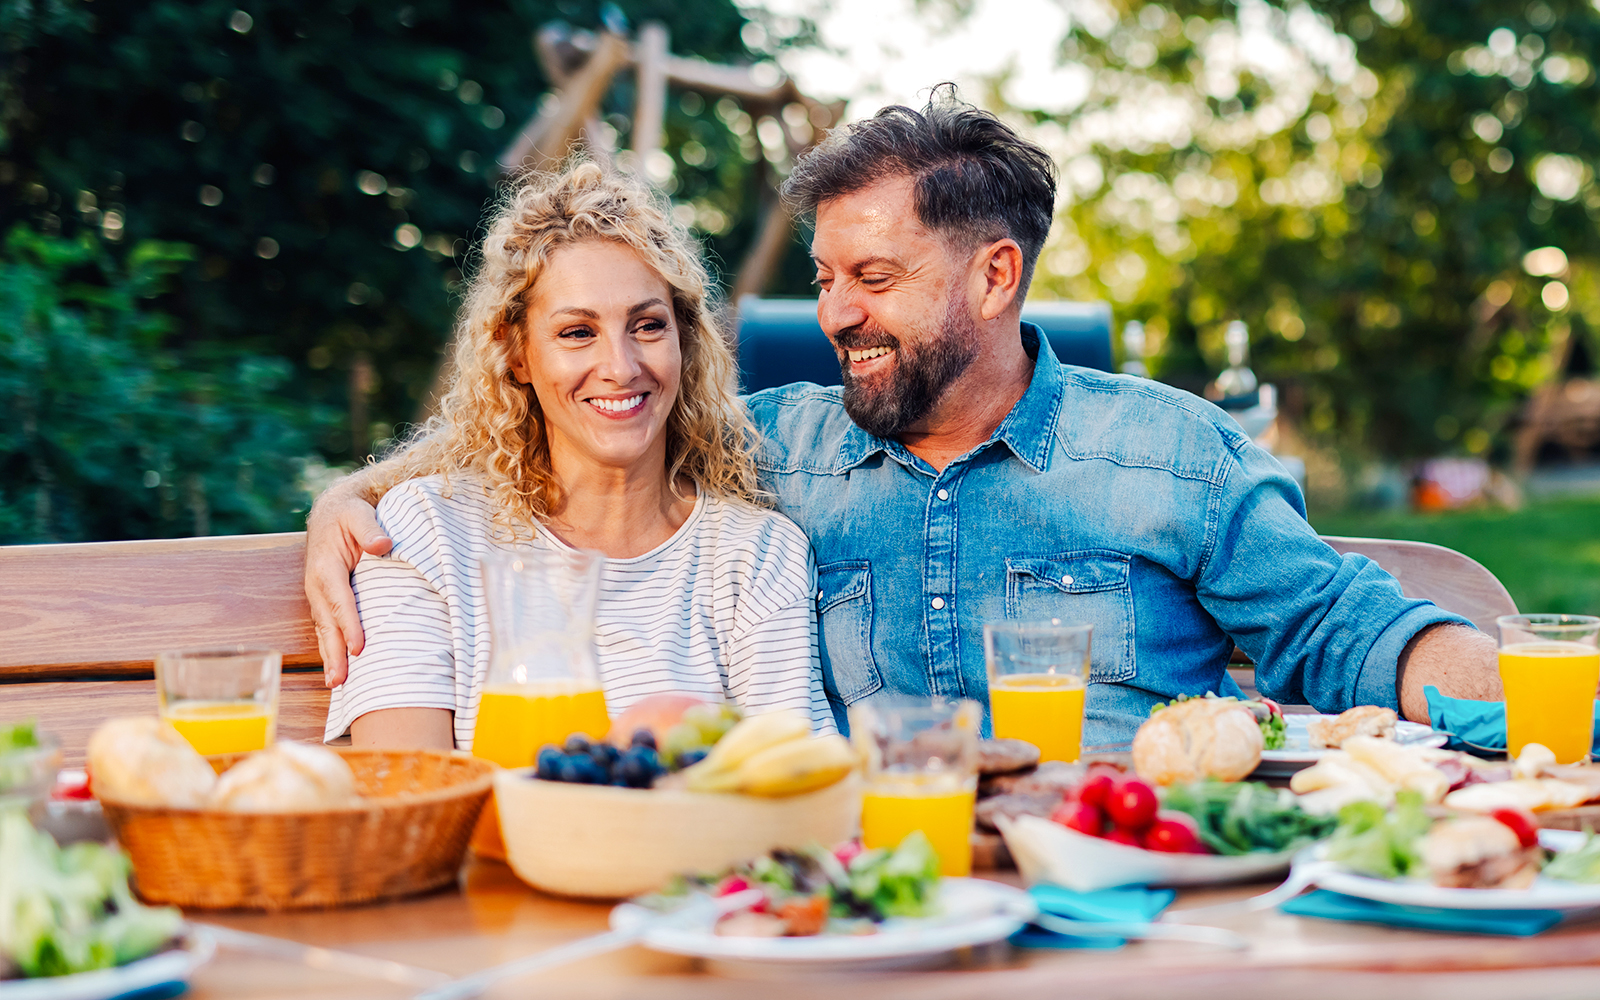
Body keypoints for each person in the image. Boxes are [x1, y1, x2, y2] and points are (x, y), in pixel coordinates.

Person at [309, 88, 1500, 746]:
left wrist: (1533, 696)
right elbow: (575, 416)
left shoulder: (1168, 451)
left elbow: (1344, 625)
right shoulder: (769, 447)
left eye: (872, 280)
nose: (834, 314)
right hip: (878, 900)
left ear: (993, 277)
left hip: (1126, 877)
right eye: (823, 278)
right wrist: (354, 495)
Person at [323, 161, 833, 752]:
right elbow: (408, 797)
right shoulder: (426, 533)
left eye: (647, 325)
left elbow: (792, 782)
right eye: (576, 333)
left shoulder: (754, 556)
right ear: (517, 355)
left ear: (684, 343)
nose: (620, 367)